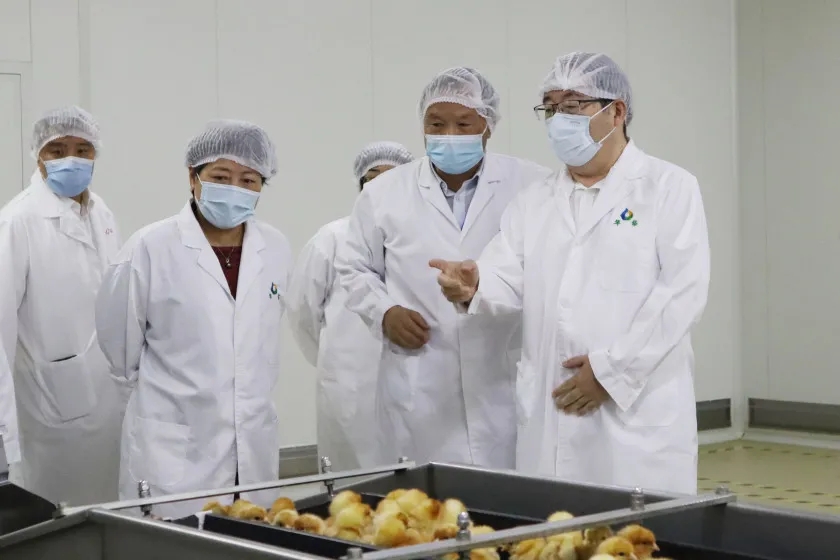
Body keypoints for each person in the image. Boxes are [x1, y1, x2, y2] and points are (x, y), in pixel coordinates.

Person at [430, 52, 710, 494]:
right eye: (551, 108)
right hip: (552, 409)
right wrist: (475, 284)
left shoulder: (669, 188)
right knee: (556, 522)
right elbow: (507, 274)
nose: (559, 120)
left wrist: (611, 372)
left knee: (635, 527)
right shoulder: (534, 201)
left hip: (634, 413)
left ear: (616, 112)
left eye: (573, 106)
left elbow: (682, 292)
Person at [336, 67, 551, 469]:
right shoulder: (383, 193)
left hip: (502, 376)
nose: (449, 135)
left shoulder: (533, 185)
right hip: (419, 383)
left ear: (488, 126)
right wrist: (384, 312)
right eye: (436, 124)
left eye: (463, 124)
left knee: (509, 496)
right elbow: (353, 267)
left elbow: (550, 271)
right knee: (422, 500)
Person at [95, 119, 293, 518]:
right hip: (174, 453)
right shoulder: (151, 247)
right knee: (173, 544)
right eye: (221, 176)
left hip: (252, 449)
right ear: (193, 177)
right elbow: (120, 350)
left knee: (250, 537)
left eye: (249, 180)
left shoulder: (275, 247)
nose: (235, 188)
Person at [0, 105, 127, 504]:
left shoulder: (101, 212)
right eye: (57, 150)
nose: (71, 159)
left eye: (83, 150)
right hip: (49, 410)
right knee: (56, 518)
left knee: (109, 508)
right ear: (38, 155)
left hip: (107, 401)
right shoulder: (18, 221)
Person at [287, 141, 414, 471]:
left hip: (415, 388)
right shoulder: (331, 239)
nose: (382, 187)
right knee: (350, 487)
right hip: (349, 390)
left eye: (393, 178)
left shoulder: (422, 240)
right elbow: (302, 314)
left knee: (414, 489)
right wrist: (336, 365)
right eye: (373, 178)